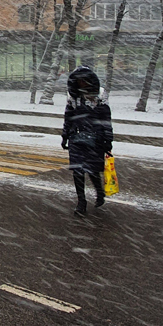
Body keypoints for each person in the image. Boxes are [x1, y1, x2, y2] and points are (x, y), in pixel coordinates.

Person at [61, 66, 113, 217]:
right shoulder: (73, 98)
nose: (81, 83)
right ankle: (81, 202)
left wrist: (108, 141)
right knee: (78, 171)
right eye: (79, 81)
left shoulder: (100, 97)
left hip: (96, 140)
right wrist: (65, 136)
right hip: (76, 139)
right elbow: (68, 118)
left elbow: (106, 121)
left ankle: (100, 192)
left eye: (84, 80)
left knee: (93, 171)